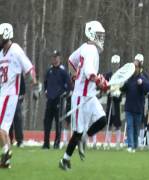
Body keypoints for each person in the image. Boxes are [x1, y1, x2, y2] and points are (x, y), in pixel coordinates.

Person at [59, 20, 109, 170]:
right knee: (78, 132)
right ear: (91, 34)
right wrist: (100, 81)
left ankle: (84, 139)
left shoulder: (84, 47)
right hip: (81, 96)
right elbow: (89, 73)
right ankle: (65, 160)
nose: (101, 39)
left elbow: (71, 61)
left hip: (90, 95)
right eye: (99, 35)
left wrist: (75, 77)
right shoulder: (91, 50)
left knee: (102, 120)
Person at [0, 23, 38, 168]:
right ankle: (6, 159)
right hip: (3, 93)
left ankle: (6, 153)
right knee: (3, 128)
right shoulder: (1, 53)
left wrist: (35, 84)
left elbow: (29, 67)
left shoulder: (15, 50)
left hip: (10, 94)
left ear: (6, 35)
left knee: (1, 128)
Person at [120, 56, 149, 153]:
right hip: (129, 107)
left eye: (136, 66)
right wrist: (122, 84)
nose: (134, 68)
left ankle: (135, 146)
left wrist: (141, 84)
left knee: (136, 128)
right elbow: (123, 89)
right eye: (133, 66)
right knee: (129, 126)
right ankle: (130, 145)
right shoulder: (129, 78)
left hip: (138, 108)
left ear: (139, 68)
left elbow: (147, 90)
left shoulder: (143, 78)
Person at [43, 50, 72, 149]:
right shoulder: (49, 70)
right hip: (50, 99)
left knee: (58, 122)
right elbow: (45, 83)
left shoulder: (63, 71)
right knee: (47, 122)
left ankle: (57, 143)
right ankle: (46, 143)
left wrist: (65, 94)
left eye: (56, 57)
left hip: (59, 99)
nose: (54, 59)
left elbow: (69, 85)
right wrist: (46, 91)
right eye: (53, 57)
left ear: (59, 58)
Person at [103, 54, 122, 150]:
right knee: (109, 122)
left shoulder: (121, 75)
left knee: (117, 123)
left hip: (117, 101)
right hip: (110, 100)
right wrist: (108, 91)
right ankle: (107, 142)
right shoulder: (109, 75)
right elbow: (105, 86)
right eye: (113, 64)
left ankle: (118, 142)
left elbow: (123, 86)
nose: (115, 66)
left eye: (116, 64)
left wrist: (119, 92)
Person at [9, 74, 25, 147]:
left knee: (18, 118)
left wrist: (21, 97)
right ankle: (9, 139)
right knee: (7, 120)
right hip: (5, 97)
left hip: (16, 98)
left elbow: (23, 86)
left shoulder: (18, 72)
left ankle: (20, 140)